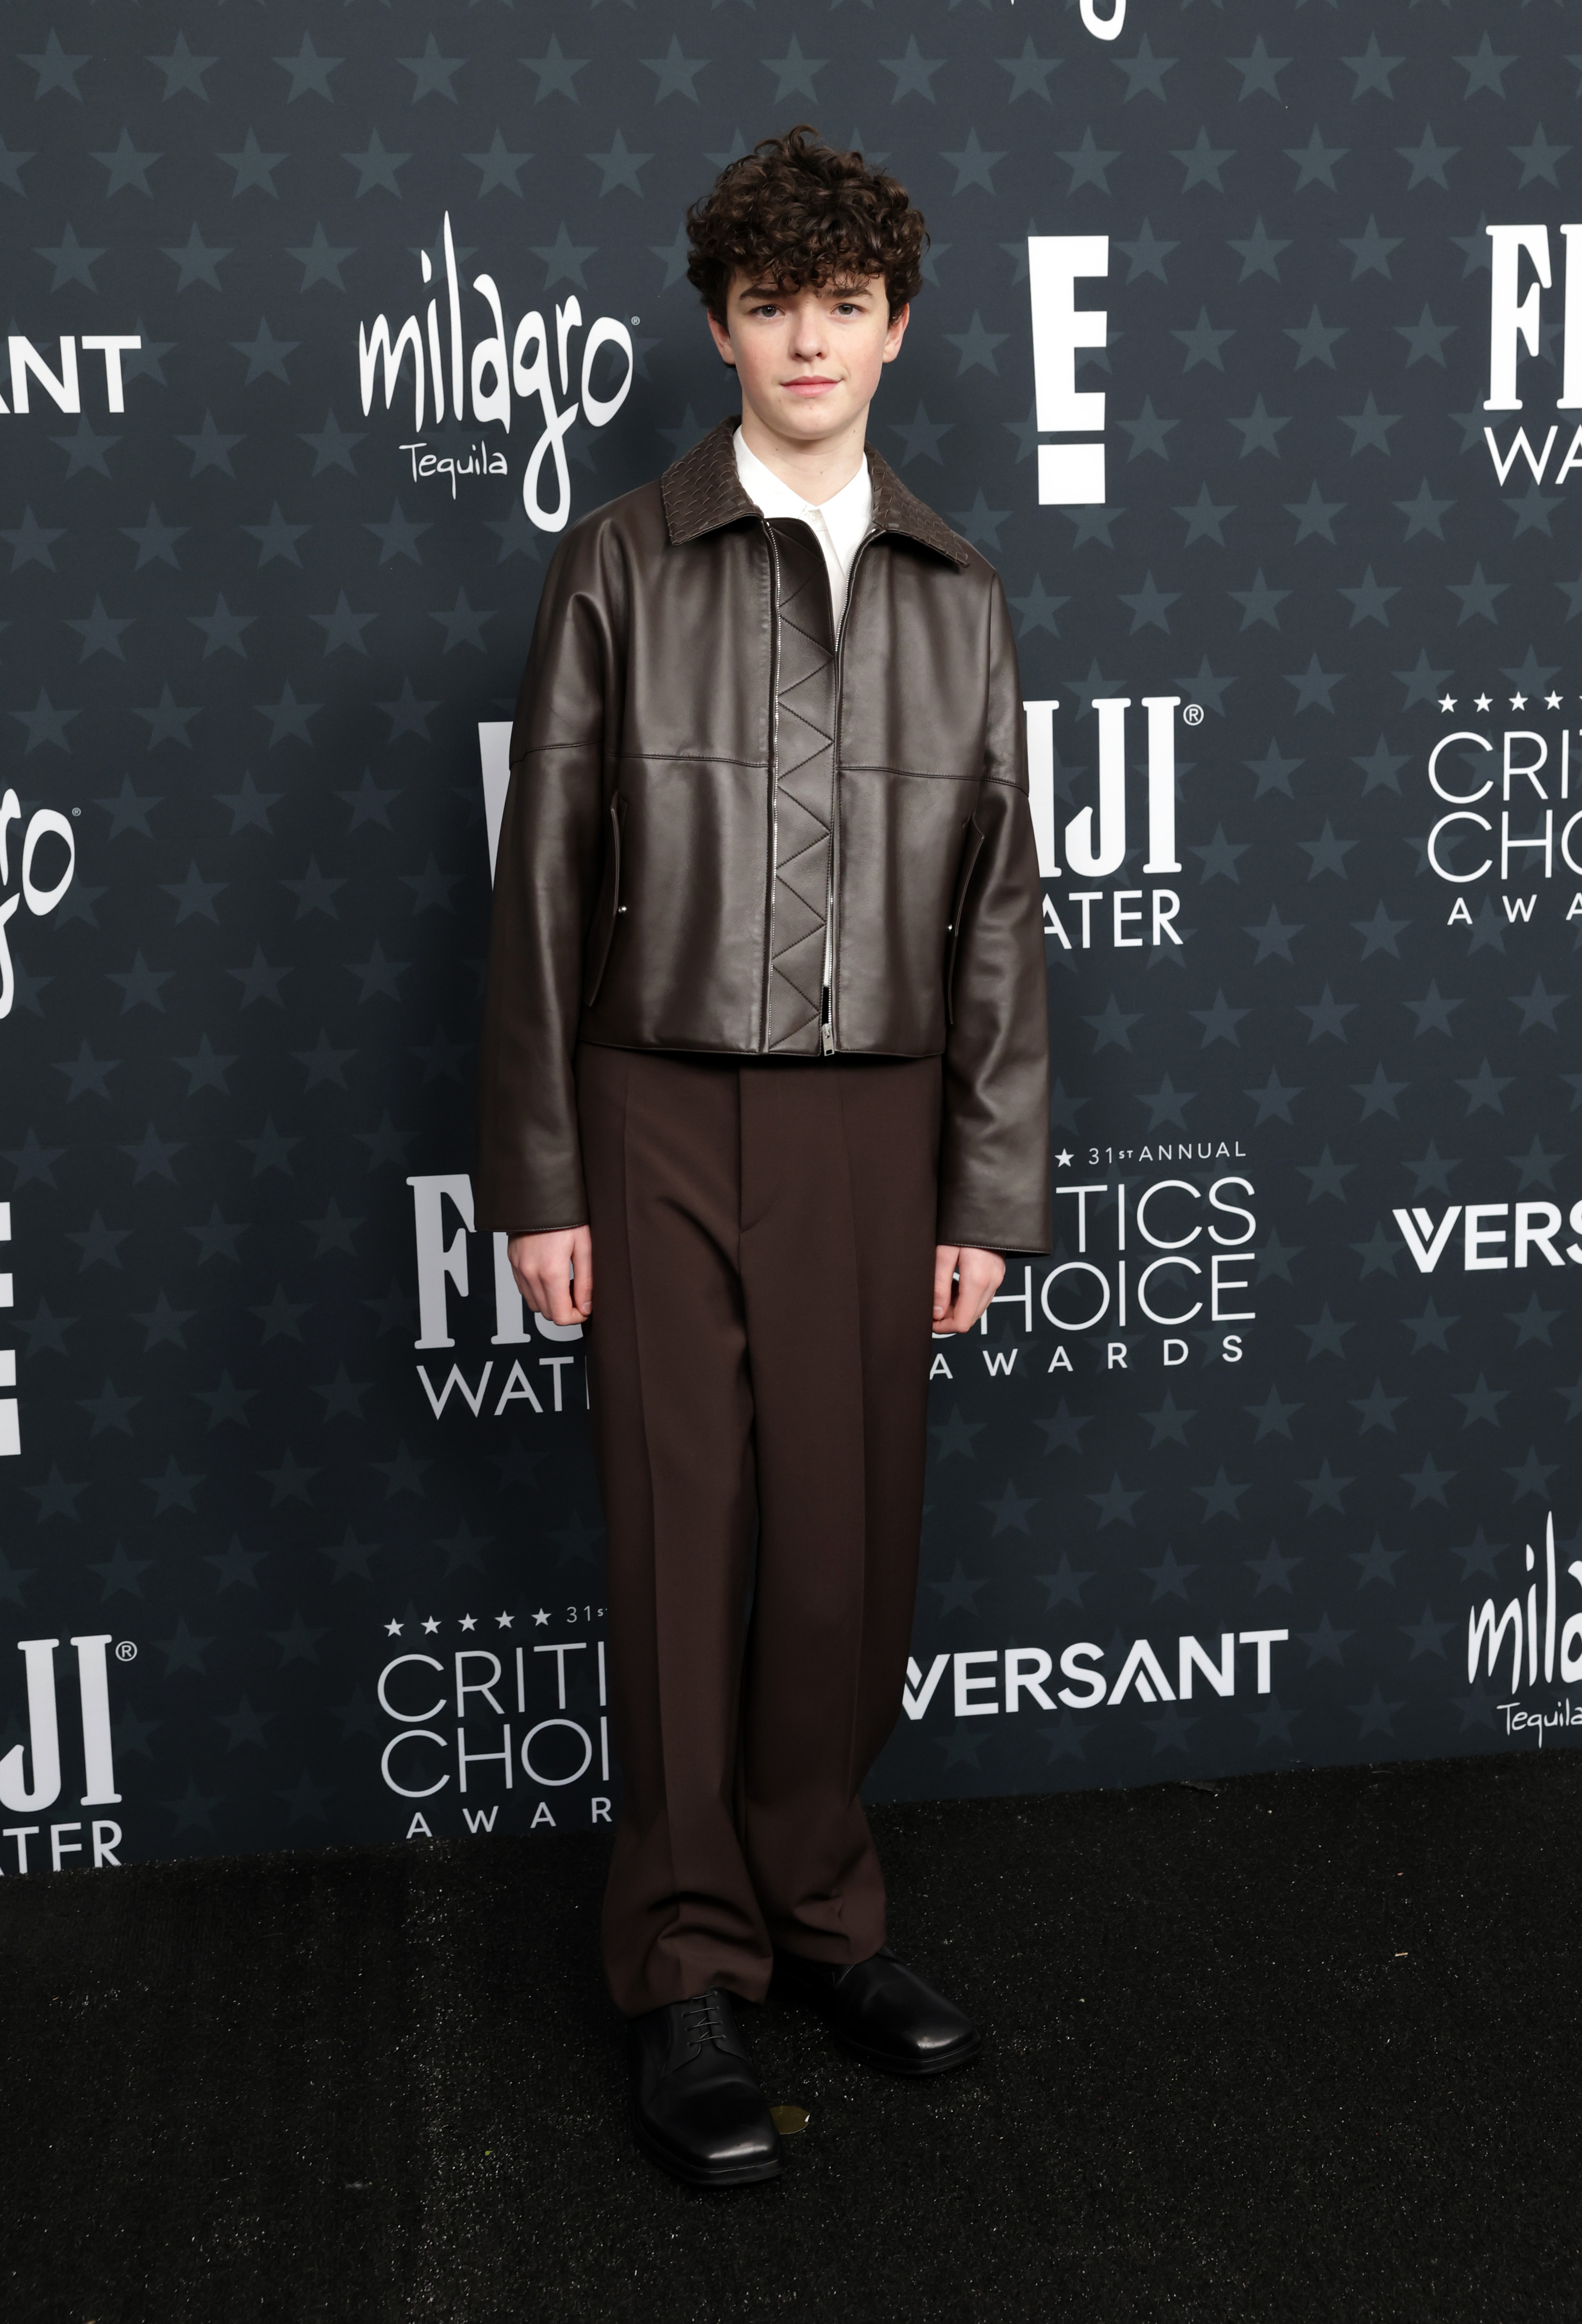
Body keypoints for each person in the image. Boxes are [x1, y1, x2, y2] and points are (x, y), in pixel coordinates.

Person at [475, 125, 1050, 2189]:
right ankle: (684, 1963)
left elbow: (998, 915)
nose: (807, 338)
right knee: (679, 1535)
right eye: (768, 304)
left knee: (842, 1546)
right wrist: (542, 1176)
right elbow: (545, 885)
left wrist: (983, 1189)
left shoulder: (959, 592)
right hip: (646, 1106)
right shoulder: (622, 559)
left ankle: (821, 1911)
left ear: (898, 331)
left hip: (873, 1123)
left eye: (844, 305)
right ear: (716, 328)